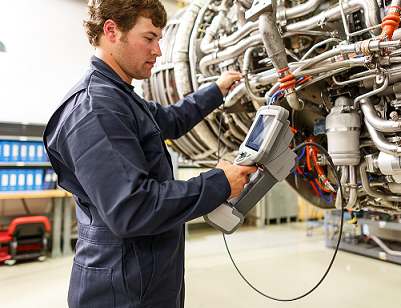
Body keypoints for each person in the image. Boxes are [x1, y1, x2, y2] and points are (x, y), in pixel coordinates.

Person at [43, 0, 257, 307]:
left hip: (147, 276)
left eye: (159, 39)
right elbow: (133, 209)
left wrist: (218, 89)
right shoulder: (95, 108)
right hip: (120, 289)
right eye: (149, 38)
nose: (157, 51)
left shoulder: (121, 97)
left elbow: (172, 119)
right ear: (111, 31)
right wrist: (219, 183)